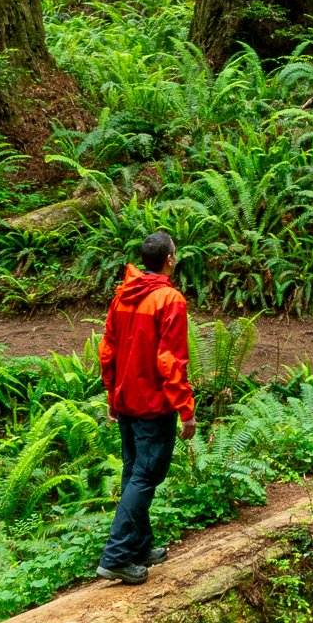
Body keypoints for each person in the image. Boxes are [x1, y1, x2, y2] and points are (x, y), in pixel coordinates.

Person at [95, 229, 196, 585]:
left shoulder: (123, 294)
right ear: (169, 259)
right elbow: (170, 360)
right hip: (153, 404)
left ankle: (138, 547)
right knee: (145, 476)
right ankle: (116, 556)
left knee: (133, 472)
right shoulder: (170, 300)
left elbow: (108, 349)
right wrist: (186, 409)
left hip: (126, 400)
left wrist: (112, 396)